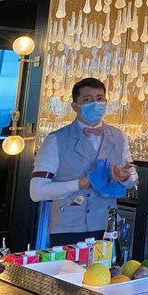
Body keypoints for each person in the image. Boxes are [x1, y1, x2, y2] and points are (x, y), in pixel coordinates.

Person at [30, 77, 138, 247]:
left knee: (105, 273)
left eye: (100, 99)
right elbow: (37, 191)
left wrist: (125, 177)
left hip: (106, 227)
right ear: (75, 106)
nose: (95, 104)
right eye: (87, 100)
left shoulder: (119, 137)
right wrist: (80, 183)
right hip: (68, 228)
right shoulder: (56, 140)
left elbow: (132, 178)